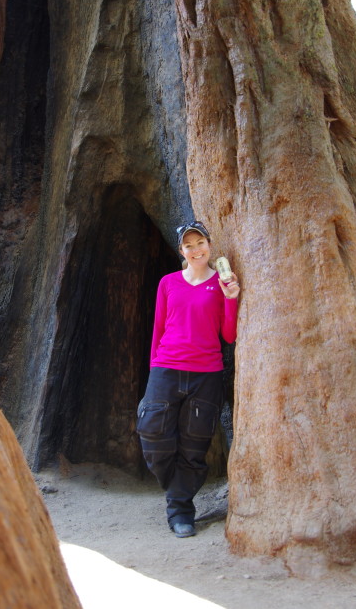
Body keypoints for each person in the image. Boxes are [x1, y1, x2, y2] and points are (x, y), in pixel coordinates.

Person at [136, 220, 240, 538]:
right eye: (188, 246)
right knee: (152, 431)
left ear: (210, 245)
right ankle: (175, 488)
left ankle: (180, 511)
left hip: (206, 374)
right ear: (181, 251)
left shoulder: (221, 284)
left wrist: (232, 297)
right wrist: (154, 369)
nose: (196, 250)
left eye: (200, 243)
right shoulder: (168, 283)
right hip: (166, 367)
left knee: (195, 446)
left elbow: (228, 335)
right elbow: (158, 328)